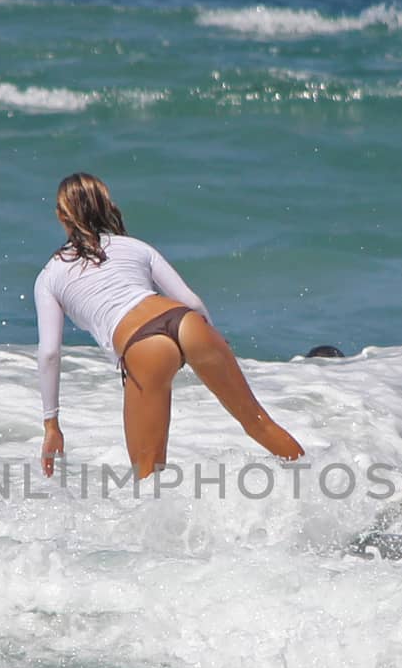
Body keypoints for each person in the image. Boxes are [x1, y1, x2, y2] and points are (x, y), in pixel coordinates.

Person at [35, 173, 304, 479]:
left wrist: (51, 424)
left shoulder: (50, 274)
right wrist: (216, 342)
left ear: (60, 215)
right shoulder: (136, 247)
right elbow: (191, 300)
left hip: (142, 344)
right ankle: (325, 492)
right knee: (259, 424)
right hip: (186, 322)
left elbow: (49, 354)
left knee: (147, 476)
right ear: (106, 205)